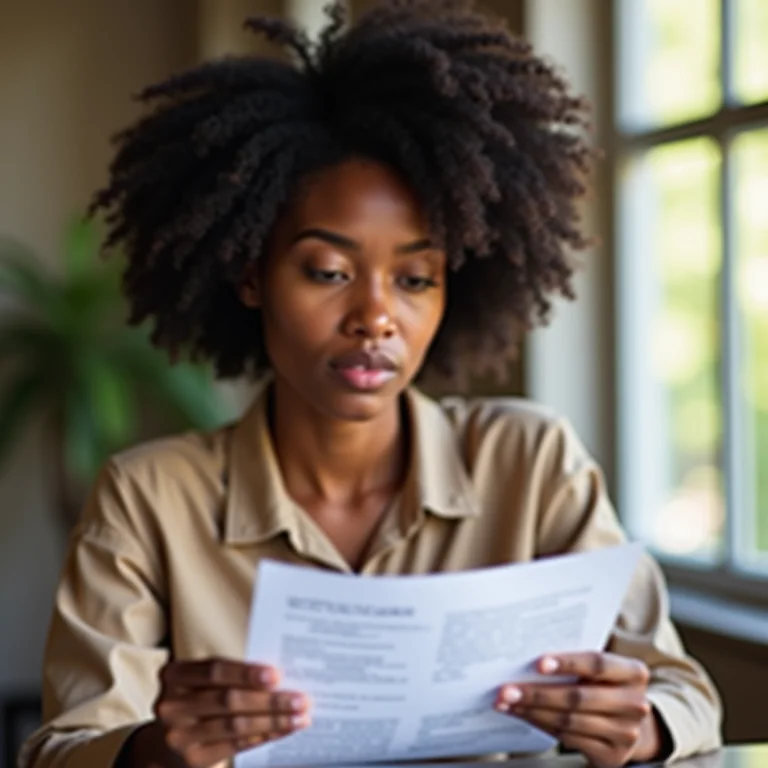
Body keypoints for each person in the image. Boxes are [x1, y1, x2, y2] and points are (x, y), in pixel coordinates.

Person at [20, 1, 722, 766]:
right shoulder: (150, 498)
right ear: (252, 276)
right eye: (328, 271)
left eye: (415, 278)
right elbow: (62, 750)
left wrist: (639, 725)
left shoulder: (530, 461)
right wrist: (155, 751)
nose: (376, 318)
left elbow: (684, 695)